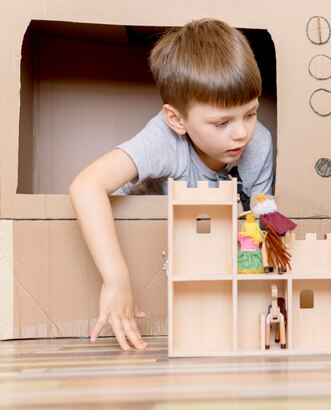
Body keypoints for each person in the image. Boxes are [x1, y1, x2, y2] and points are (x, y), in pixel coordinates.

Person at [69, 18, 273, 351]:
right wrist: (116, 277)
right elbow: (86, 185)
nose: (241, 133)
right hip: (137, 232)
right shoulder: (164, 139)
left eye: (250, 113)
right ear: (177, 120)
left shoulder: (259, 144)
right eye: (222, 122)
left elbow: (257, 221)